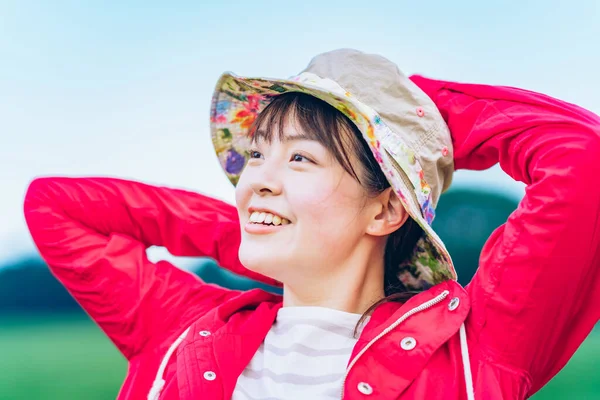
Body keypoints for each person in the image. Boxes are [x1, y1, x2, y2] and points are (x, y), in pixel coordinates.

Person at [23, 49, 600, 400]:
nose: (256, 181)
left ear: (385, 209)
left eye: (299, 157)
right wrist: (255, 232)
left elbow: (583, 156)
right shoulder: (183, 330)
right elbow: (56, 208)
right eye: (256, 157)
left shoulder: (478, 351)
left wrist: (420, 118)